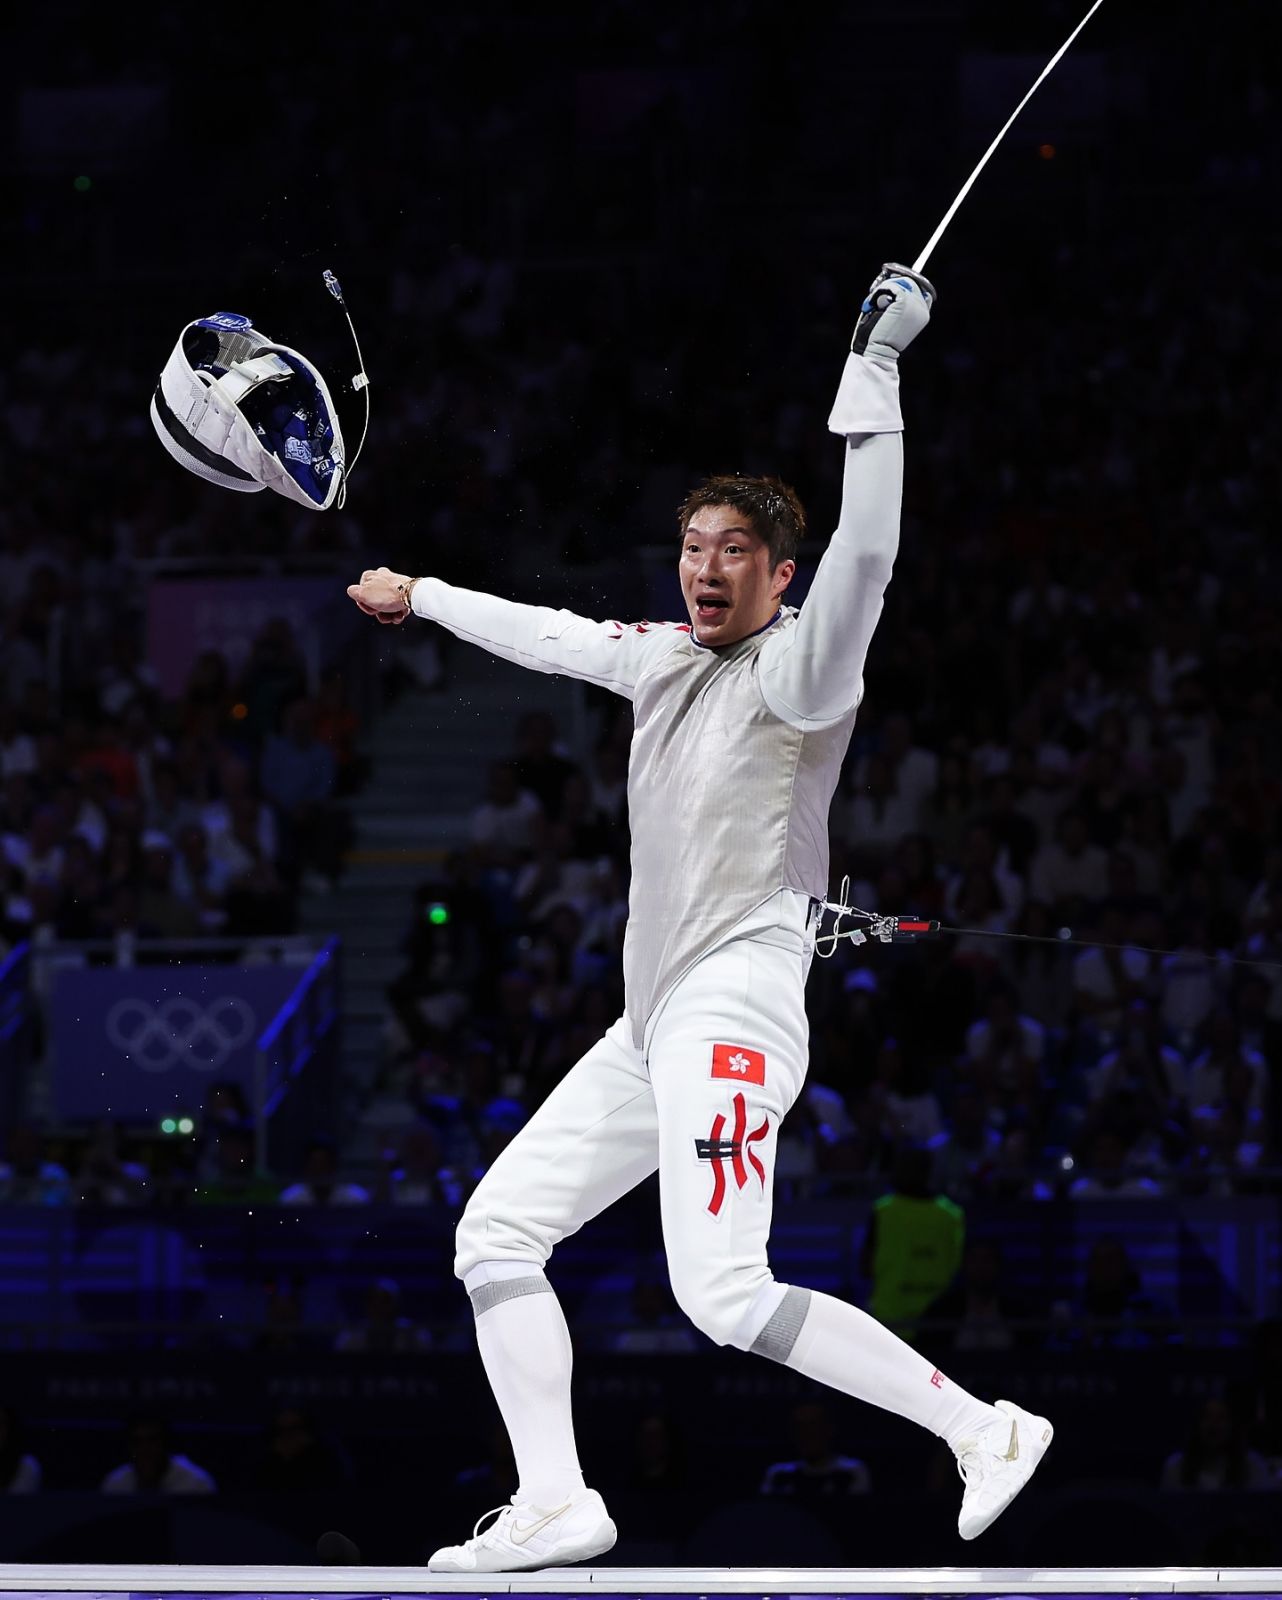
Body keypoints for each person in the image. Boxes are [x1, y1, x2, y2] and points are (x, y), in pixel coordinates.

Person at [348, 265, 1052, 1572]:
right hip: (649, 1025)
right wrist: (424, 592)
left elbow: (876, 550)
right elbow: (553, 635)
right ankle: (556, 1498)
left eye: (735, 551)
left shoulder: (801, 669)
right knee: (494, 1232)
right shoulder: (661, 658)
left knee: (721, 1293)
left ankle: (981, 1430)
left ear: (779, 574)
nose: (706, 568)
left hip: (730, 1010)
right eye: (692, 547)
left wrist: (877, 369)